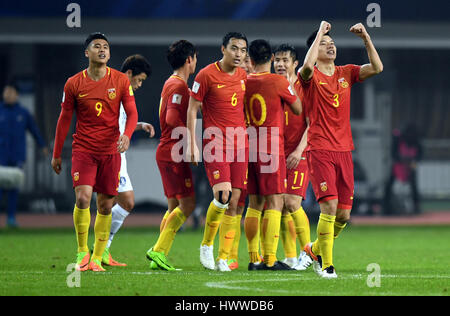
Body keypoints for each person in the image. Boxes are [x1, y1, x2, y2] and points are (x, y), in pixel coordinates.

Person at [300, 21, 383, 278]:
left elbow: (378, 68)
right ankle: (326, 265)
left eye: (332, 42)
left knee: (344, 215)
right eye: (325, 43)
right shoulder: (310, 76)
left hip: (345, 150)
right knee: (330, 207)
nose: (331, 46)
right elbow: (304, 67)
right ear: (315, 49)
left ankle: (314, 248)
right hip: (320, 148)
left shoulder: (346, 73)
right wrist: (319, 34)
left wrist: (366, 37)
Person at [51, 32, 138, 272]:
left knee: (105, 206)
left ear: (109, 54)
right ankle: (82, 252)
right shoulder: (74, 83)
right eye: (97, 46)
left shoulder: (120, 81)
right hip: (84, 149)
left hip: (110, 151)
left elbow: (132, 113)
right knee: (82, 198)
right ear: (86, 53)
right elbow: (64, 118)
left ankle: (97, 259)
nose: (102, 50)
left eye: (106, 47)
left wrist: (127, 135)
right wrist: (57, 152)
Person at [187, 32, 249, 272]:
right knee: (222, 196)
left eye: (243, 50)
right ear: (223, 49)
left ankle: (224, 257)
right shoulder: (205, 75)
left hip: (240, 144)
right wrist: (192, 143)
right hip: (215, 143)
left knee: (234, 202)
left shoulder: (243, 75)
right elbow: (193, 109)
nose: (238, 54)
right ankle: (206, 245)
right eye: (234, 48)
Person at [244, 39, 302, 271]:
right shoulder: (278, 81)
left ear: (250, 59)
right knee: (276, 202)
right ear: (270, 59)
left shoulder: (243, 81)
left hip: (248, 147)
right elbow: (297, 108)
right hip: (270, 148)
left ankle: (253, 258)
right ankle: (269, 260)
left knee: (254, 203)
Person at [146, 40, 198, 271]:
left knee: (173, 207)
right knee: (188, 204)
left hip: (167, 150)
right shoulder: (178, 86)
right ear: (189, 60)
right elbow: (170, 118)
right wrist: (189, 141)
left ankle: (160, 254)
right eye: (195, 58)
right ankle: (158, 250)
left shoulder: (172, 83)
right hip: (173, 152)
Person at [102, 54, 154, 267]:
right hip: (111, 153)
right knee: (120, 201)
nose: (139, 85)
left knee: (118, 202)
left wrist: (138, 125)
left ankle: (101, 249)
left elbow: (121, 120)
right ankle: (97, 249)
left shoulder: (124, 91)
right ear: (129, 73)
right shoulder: (112, 88)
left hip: (118, 154)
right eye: (139, 79)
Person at [273, 44, 312, 270]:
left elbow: (311, 124)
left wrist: (298, 151)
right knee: (280, 206)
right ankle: (289, 256)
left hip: (299, 154)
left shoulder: (303, 88)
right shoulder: (272, 86)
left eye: (285, 60)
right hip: (277, 155)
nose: (280, 64)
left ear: (295, 63)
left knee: (292, 202)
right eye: (277, 60)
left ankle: (308, 252)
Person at [0, 81, 48, 227]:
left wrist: (43, 145)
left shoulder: (23, 113)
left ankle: (11, 219)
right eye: (5, 92)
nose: (7, 95)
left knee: (14, 187)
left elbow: (34, 130)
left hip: (17, 156)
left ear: (16, 94)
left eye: (10, 92)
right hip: (1, 156)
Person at [226, 54, 254, 270]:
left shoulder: (258, 84)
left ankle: (259, 255)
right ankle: (229, 255)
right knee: (234, 201)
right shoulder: (235, 84)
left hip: (261, 148)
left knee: (254, 202)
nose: (246, 65)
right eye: (244, 62)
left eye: (249, 61)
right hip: (237, 147)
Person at [383, 123, 422, 214]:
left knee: (413, 184)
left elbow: (419, 154)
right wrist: (400, 159)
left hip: (410, 165)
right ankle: (386, 206)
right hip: (398, 165)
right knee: (389, 184)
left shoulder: (416, 141)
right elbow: (393, 153)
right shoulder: (398, 139)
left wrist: (412, 161)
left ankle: (416, 206)